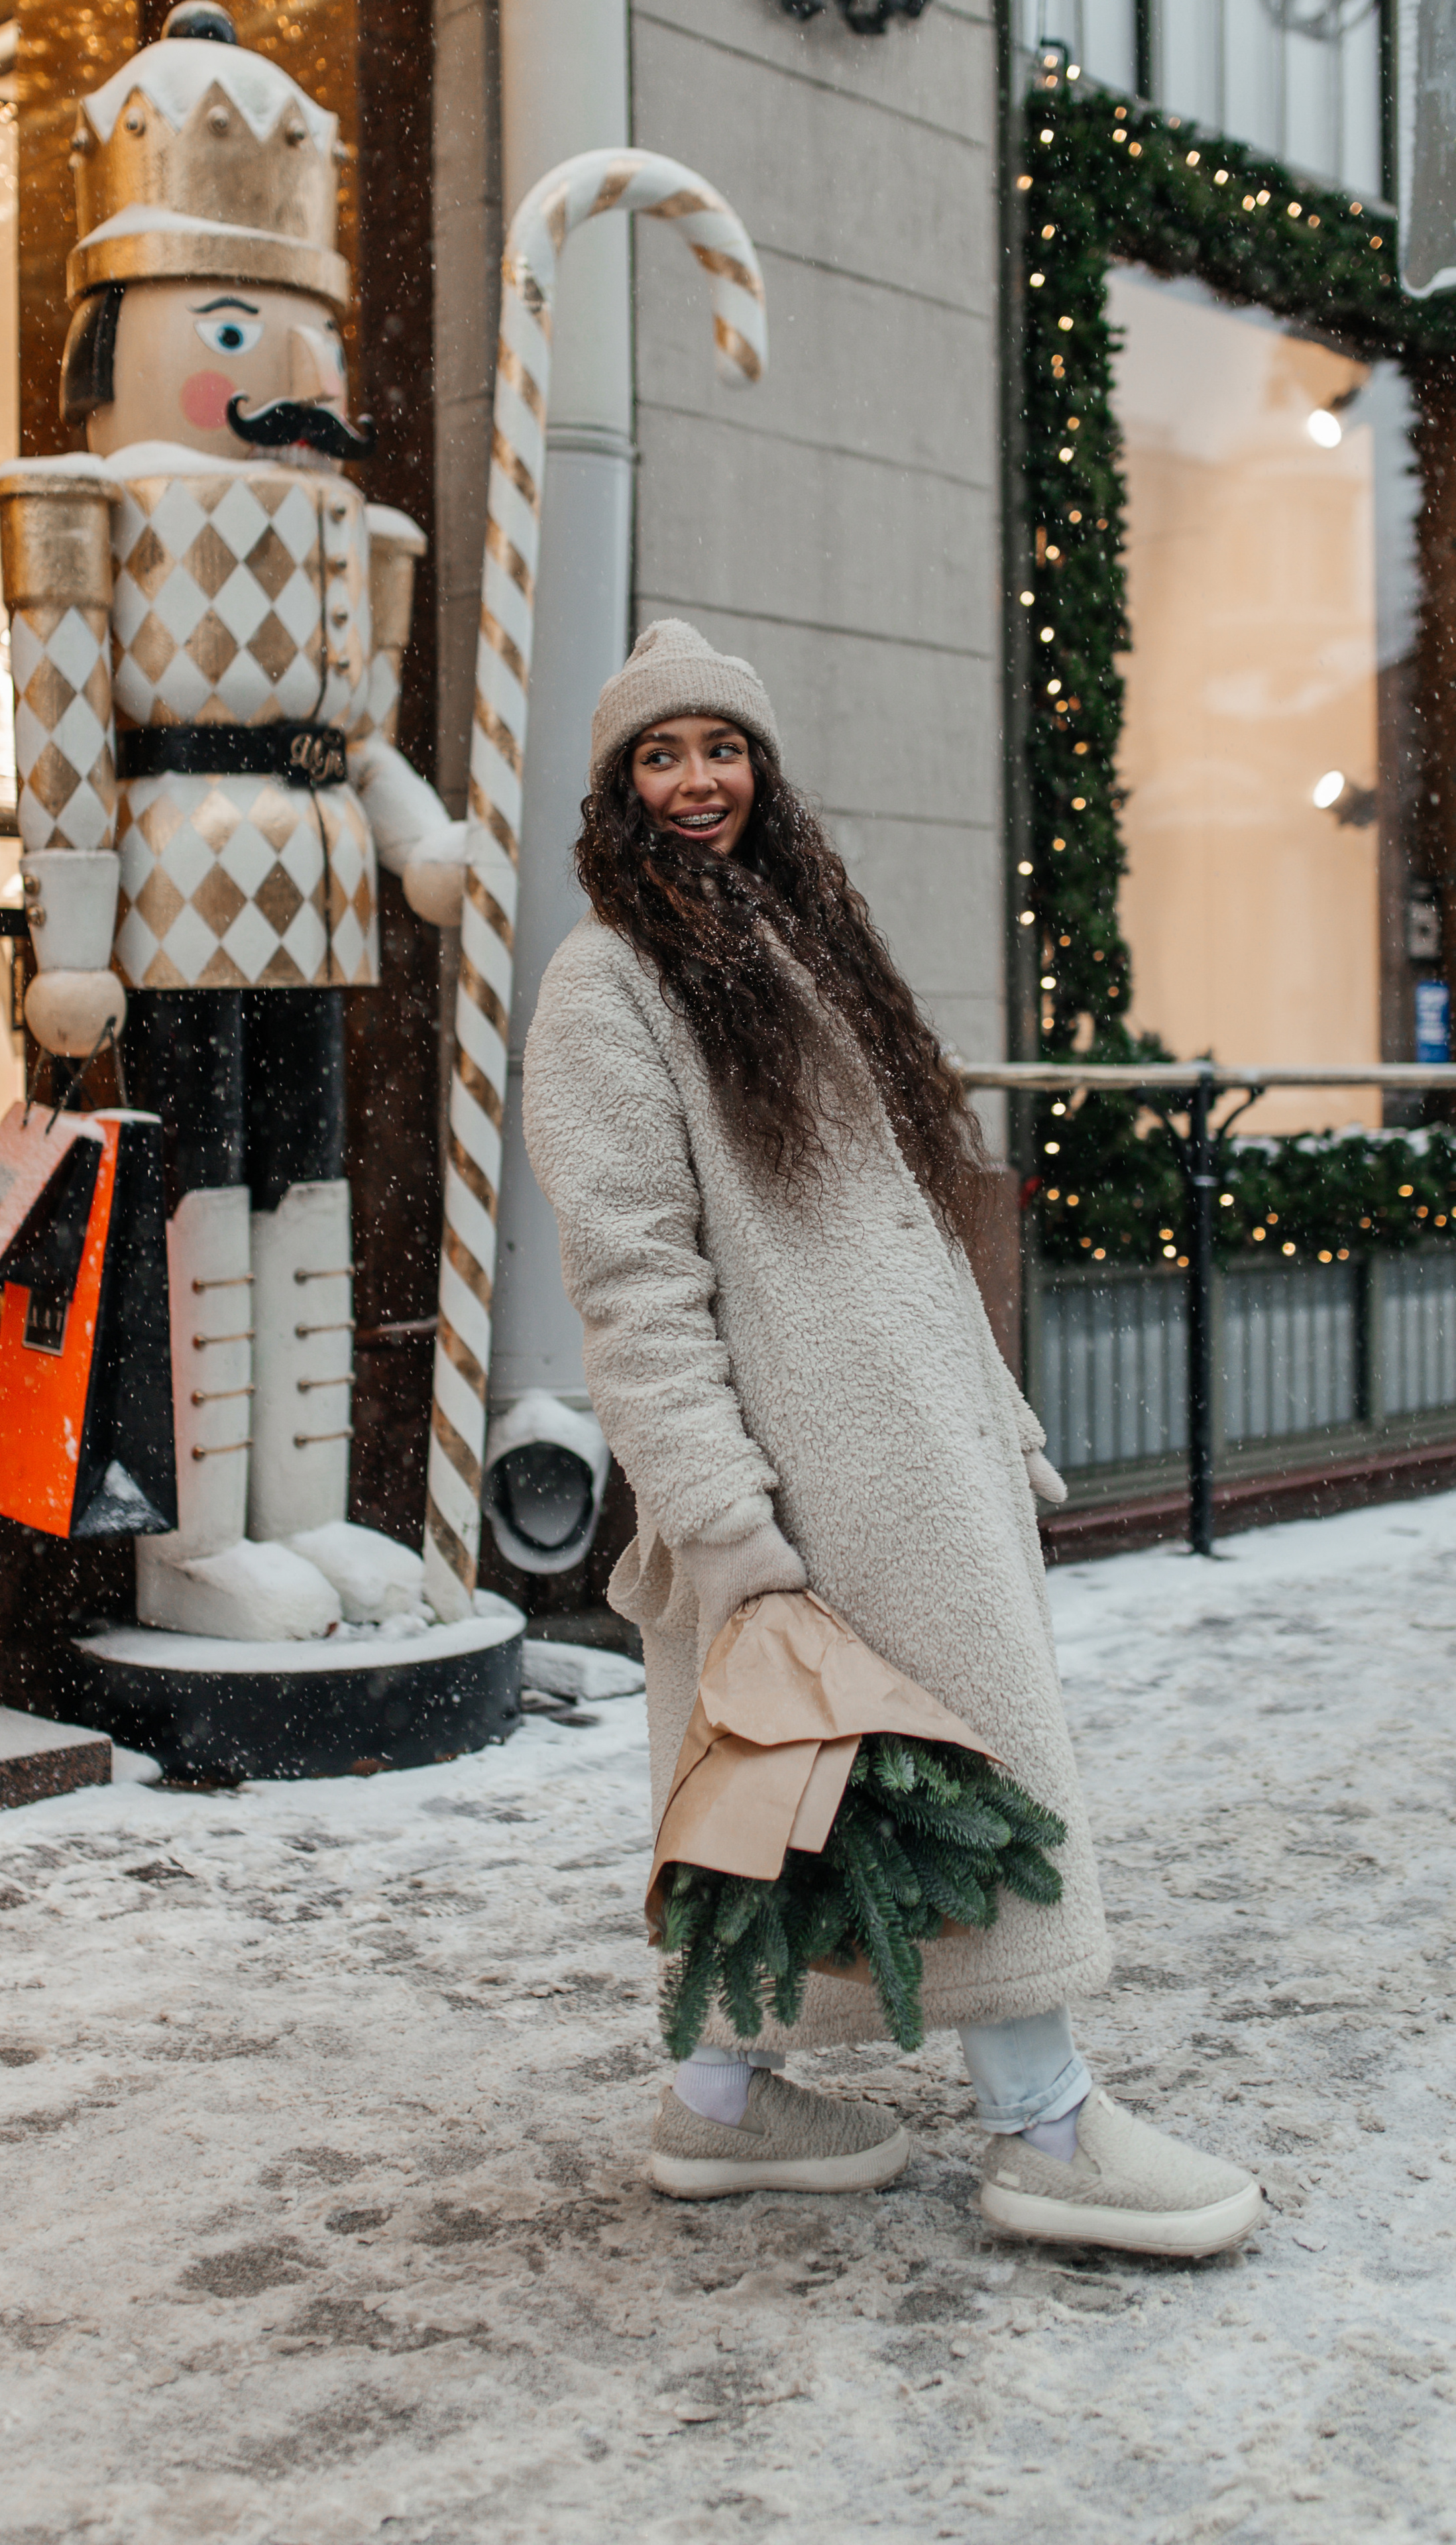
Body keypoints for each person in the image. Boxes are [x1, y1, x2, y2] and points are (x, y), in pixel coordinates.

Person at [522, 620, 1263, 2258]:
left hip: (909, 1454)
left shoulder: (790, 945)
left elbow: (898, 1234)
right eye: (659, 755)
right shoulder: (606, 986)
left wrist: (991, 1416)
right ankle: (1043, 2122)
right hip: (803, 1480)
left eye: (721, 749)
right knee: (951, 1778)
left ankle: (719, 2105)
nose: (696, 780)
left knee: (804, 1795)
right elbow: (633, 1279)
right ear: (615, 790)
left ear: (761, 773)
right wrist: (725, 1523)